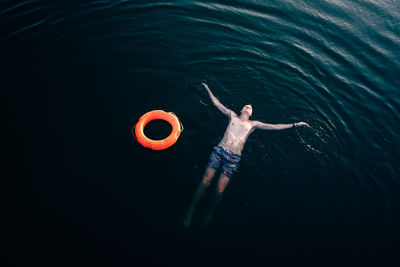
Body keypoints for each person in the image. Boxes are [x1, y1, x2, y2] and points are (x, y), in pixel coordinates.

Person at [183, 83, 310, 228]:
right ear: (241, 109)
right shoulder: (232, 115)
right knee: (205, 182)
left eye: (250, 108)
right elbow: (217, 103)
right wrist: (207, 88)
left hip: (233, 159)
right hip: (219, 151)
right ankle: (190, 211)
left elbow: (275, 126)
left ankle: (209, 213)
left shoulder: (254, 124)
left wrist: (296, 124)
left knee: (219, 190)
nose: (248, 107)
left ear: (251, 114)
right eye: (246, 106)